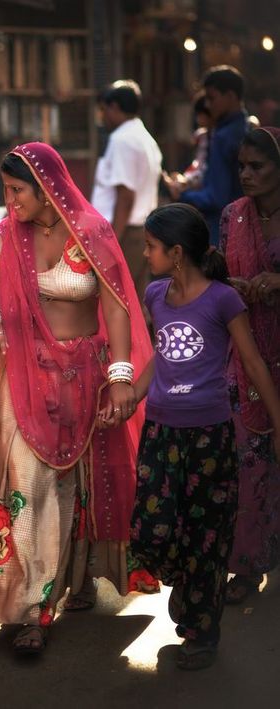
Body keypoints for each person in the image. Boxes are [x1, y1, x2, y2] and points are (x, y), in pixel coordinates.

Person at [0, 141, 153, 654]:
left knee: (71, 487)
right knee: (25, 487)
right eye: (5, 189)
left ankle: (65, 584)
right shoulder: (8, 233)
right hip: (25, 375)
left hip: (84, 374)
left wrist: (121, 376)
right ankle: (30, 610)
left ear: (46, 187)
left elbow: (118, 307)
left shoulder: (91, 232)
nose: (9, 200)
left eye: (17, 190)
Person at [130, 203, 280, 670]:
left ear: (176, 253)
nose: (144, 254)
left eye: (151, 246)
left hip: (210, 439)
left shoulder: (222, 300)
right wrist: (130, 396)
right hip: (160, 433)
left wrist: (278, 424)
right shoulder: (155, 294)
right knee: (151, 533)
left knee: (207, 540)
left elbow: (253, 362)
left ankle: (200, 633)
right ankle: (188, 594)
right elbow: (160, 356)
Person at [219, 127, 280, 604]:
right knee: (248, 459)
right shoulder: (232, 217)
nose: (246, 174)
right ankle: (246, 565)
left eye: (256, 166)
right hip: (246, 351)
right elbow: (221, 275)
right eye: (241, 165)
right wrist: (236, 286)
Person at [91, 80, 162, 302]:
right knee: (134, 300)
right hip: (140, 229)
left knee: (115, 300)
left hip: (126, 232)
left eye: (104, 110)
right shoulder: (144, 137)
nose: (102, 117)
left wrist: (114, 239)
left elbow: (126, 196)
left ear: (114, 107)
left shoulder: (122, 139)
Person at [178, 65, 249, 246]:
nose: (208, 105)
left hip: (222, 230)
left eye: (212, 98)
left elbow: (217, 197)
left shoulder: (223, 137)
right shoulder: (246, 128)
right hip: (245, 226)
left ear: (231, 96)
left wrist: (183, 194)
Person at [163, 92, 213, 195]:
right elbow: (198, 164)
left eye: (199, 115)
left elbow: (203, 170)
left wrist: (185, 181)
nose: (198, 119)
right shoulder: (202, 136)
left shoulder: (215, 138)